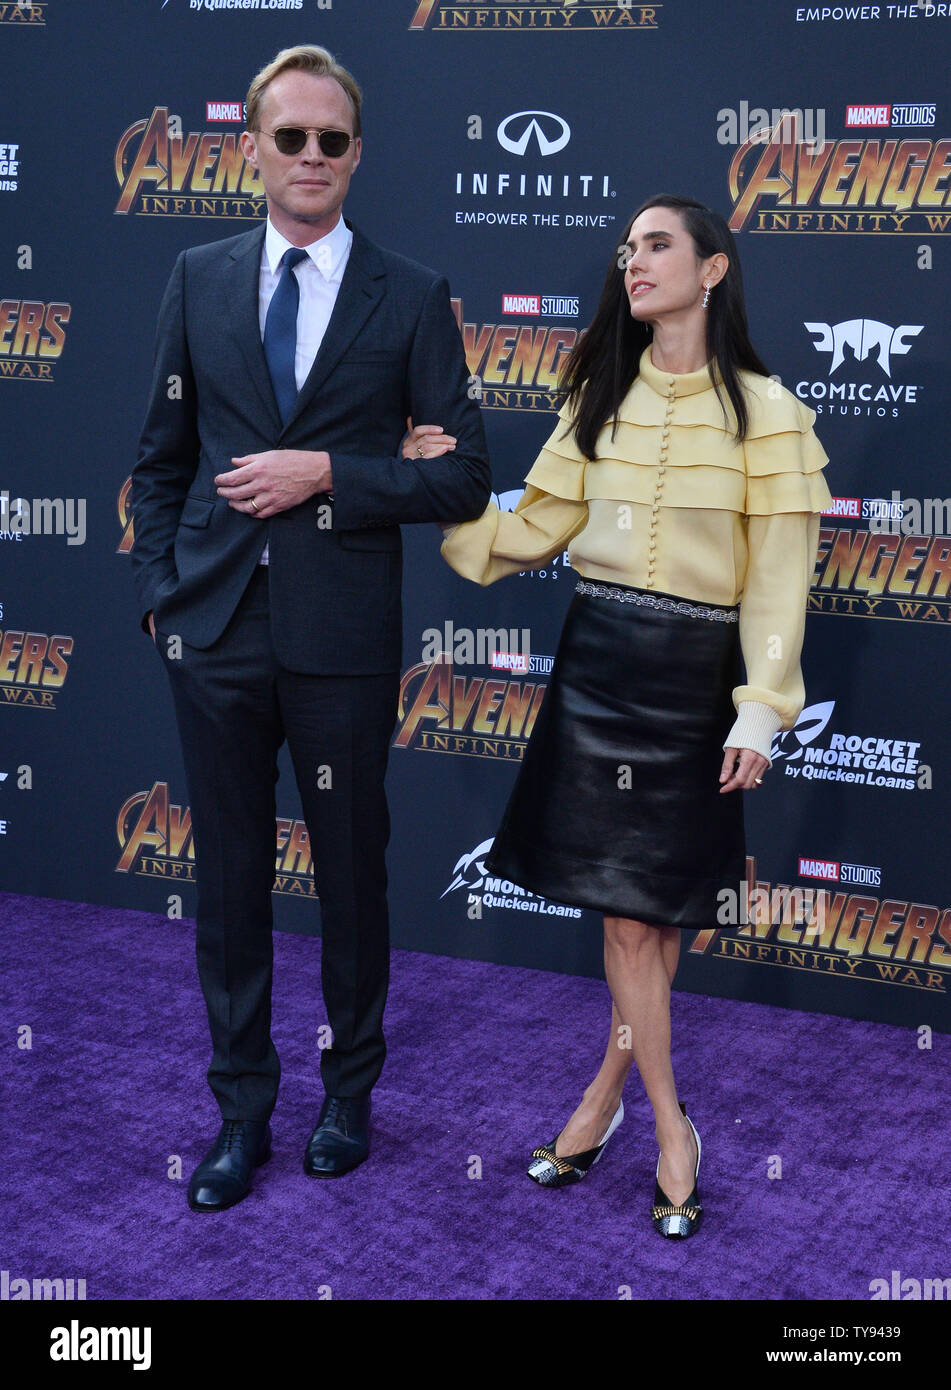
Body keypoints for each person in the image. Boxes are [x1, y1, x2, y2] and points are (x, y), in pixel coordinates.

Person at [407, 194, 831, 1238]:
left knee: (651, 913)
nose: (633, 262)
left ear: (713, 268)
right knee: (630, 915)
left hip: (695, 682)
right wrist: (440, 491)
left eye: (657, 245)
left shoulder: (771, 415)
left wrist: (759, 711)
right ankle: (668, 1127)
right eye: (627, 248)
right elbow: (533, 530)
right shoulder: (596, 394)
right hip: (598, 669)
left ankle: (610, 1100)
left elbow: (778, 585)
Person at [130, 44, 490, 1212]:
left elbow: (464, 478)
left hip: (343, 639)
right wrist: (163, 594)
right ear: (251, 149)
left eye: (333, 140)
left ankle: (348, 1093)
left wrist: (329, 471)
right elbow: (160, 459)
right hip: (216, 628)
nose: (312, 156)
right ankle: (241, 1108)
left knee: (349, 876)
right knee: (231, 878)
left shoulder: (411, 293)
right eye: (291, 136)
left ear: (358, 154)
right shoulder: (197, 276)